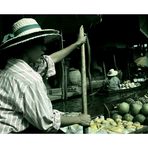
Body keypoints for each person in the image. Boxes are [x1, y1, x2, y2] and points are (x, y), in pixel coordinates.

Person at [0, 18, 91, 133]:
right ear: (26, 46)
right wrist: (79, 119)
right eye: (40, 44)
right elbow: (46, 121)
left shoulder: (12, 64)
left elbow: (52, 59)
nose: (45, 48)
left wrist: (77, 44)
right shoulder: (29, 79)